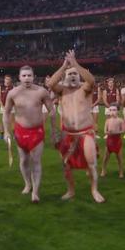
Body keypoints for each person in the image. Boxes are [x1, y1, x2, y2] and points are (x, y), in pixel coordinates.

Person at [47, 50, 105, 203]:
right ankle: (71, 190)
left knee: (91, 163)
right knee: (66, 165)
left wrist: (75, 64)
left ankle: (94, 190)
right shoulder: (62, 91)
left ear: (79, 76)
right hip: (68, 134)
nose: (72, 75)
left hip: (86, 133)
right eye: (69, 74)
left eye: (75, 74)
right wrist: (64, 65)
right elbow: (51, 84)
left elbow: (91, 80)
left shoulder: (84, 89)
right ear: (65, 78)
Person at [4, 65, 56, 203]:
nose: (27, 78)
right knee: (24, 160)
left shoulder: (41, 92)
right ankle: (27, 183)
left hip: (37, 131)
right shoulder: (13, 93)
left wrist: (53, 130)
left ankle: (35, 192)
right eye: (24, 76)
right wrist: (6, 131)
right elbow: (6, 112)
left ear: (33, 77)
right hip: (20, 131)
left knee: (36, 161)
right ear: (20, 77)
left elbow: (52, 110)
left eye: (29, 75)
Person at [101, 103, 125, 178]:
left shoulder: (120, 120)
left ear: (118, 111)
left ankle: (121, 171)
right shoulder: (107, 121)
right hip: (109, 141)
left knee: (119, 158)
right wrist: (108, 132)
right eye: (110, 110)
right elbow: (105, 130)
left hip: (117, 141)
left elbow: (123, 130)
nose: (112, 112)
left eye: (114, 110)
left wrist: (116, 132)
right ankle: (103, 169)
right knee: (105, 158)